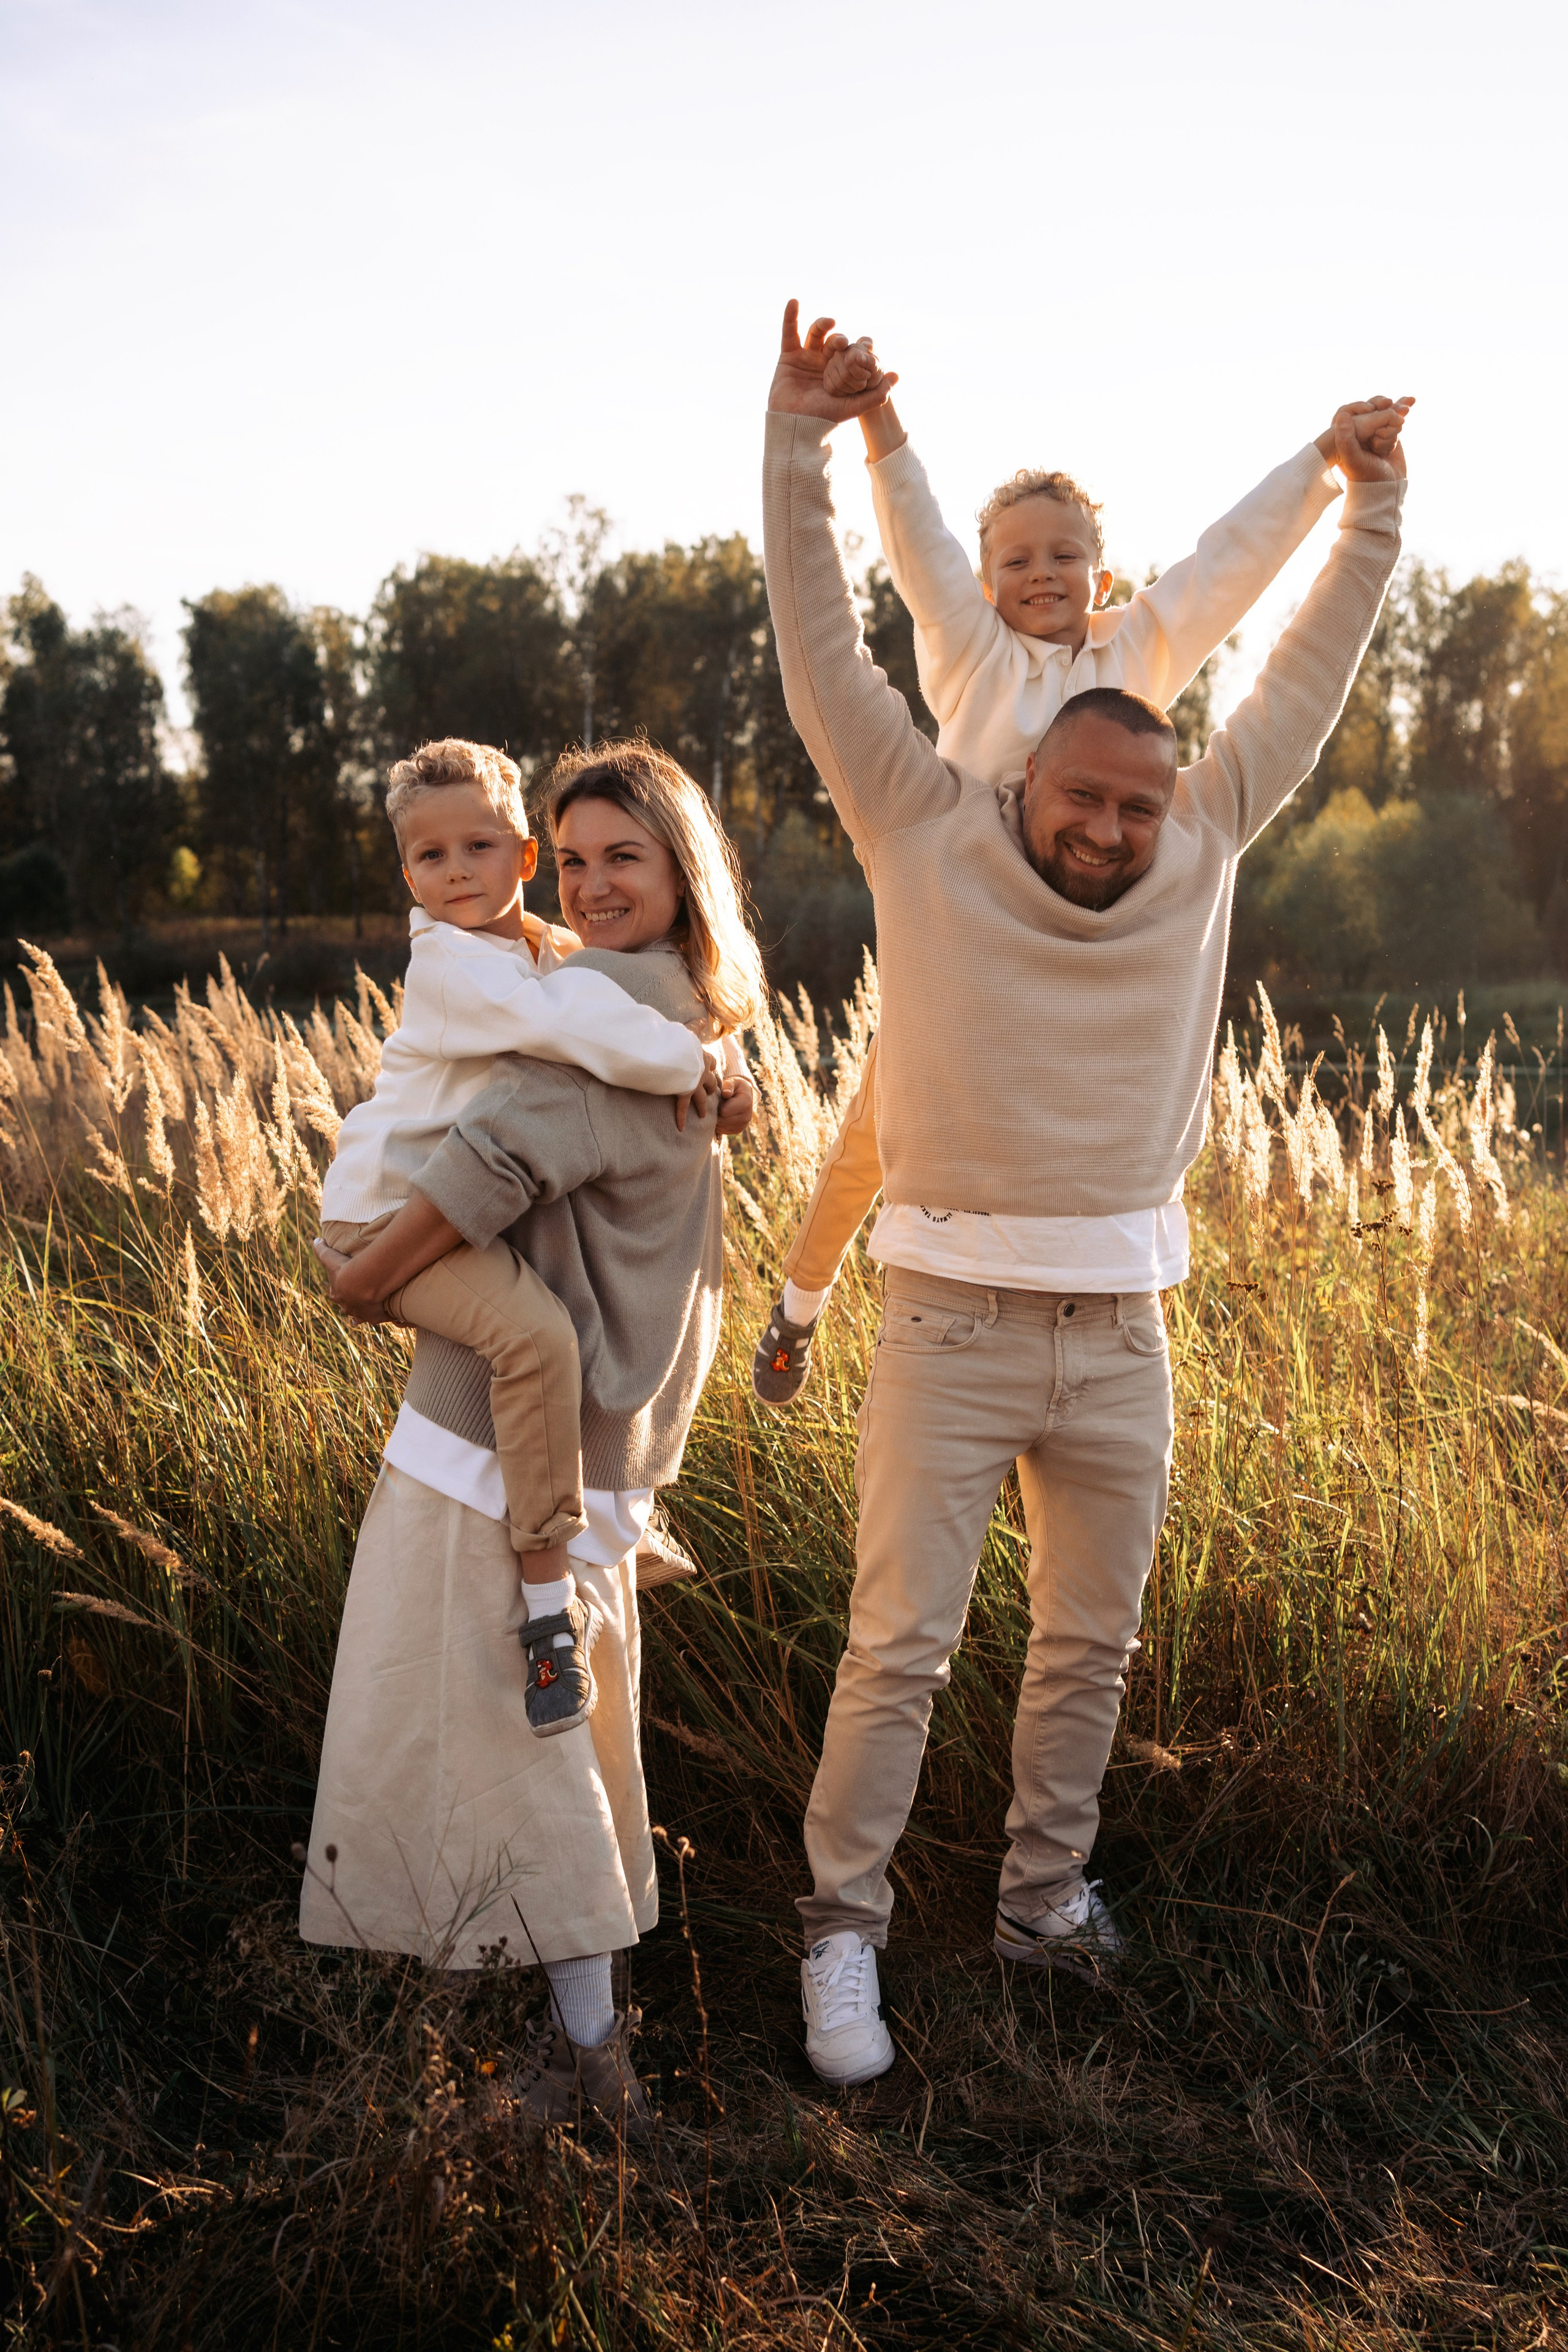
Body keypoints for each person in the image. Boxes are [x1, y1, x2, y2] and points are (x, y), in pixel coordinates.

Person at [762, 300, 1408, 2086]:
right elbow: (827, 636)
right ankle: (843, 1934)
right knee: (898, 1649)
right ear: (1019, 775)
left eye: (1141, 799)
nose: (1111, 828)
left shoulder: (1203, 835)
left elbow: (1298, 657)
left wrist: (1370, 502)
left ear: (1172, 789)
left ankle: (1043, 1905)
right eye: (1083, 796)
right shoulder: (924, 825)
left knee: (1088, 1649)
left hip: (1126, 1333)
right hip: (951, 1326)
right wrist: (808, 436)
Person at [753, 358, 1413, 1403]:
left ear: (1102, 575)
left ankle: (1105, 1309)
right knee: (868, 1142)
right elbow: (919, 548)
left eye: (1066, 554)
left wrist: (1325, 463)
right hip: (968, 951)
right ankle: (798, 1306)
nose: (1041, 573)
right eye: (1015, 559)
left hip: (1097, 945)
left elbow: (1225, 568)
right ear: (985, 585)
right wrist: (880, 425)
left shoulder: (1139, 649)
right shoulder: (969, 649)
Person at [301, 741, 762, 2128]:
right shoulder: (659, 1008)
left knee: (508, 1746)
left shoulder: (596, 1007)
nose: (589, 883)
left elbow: (499, 1158)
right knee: (546, 1744)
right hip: (565, 1458)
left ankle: (576, 2070)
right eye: (572, 860)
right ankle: (512, 2051)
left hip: (500, 1463)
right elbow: (514, 1159)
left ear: (684, 869)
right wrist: (371, 1272)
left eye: (621, 855)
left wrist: (362, 1282)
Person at [320, 736, 726, 1733]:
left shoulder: (543, 951)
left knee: (549, 1333)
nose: (456, 874)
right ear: (405, 872)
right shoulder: (460, 968)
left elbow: (584, 1002)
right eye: (429, 859)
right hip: (384, 1213)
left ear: (520, 857)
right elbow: (573, 1040)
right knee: (537, 1339)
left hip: (436, 1218)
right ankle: (550, 1613)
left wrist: (724, 1063)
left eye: (480, 849)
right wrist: (701, 1063)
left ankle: (601, 1525)